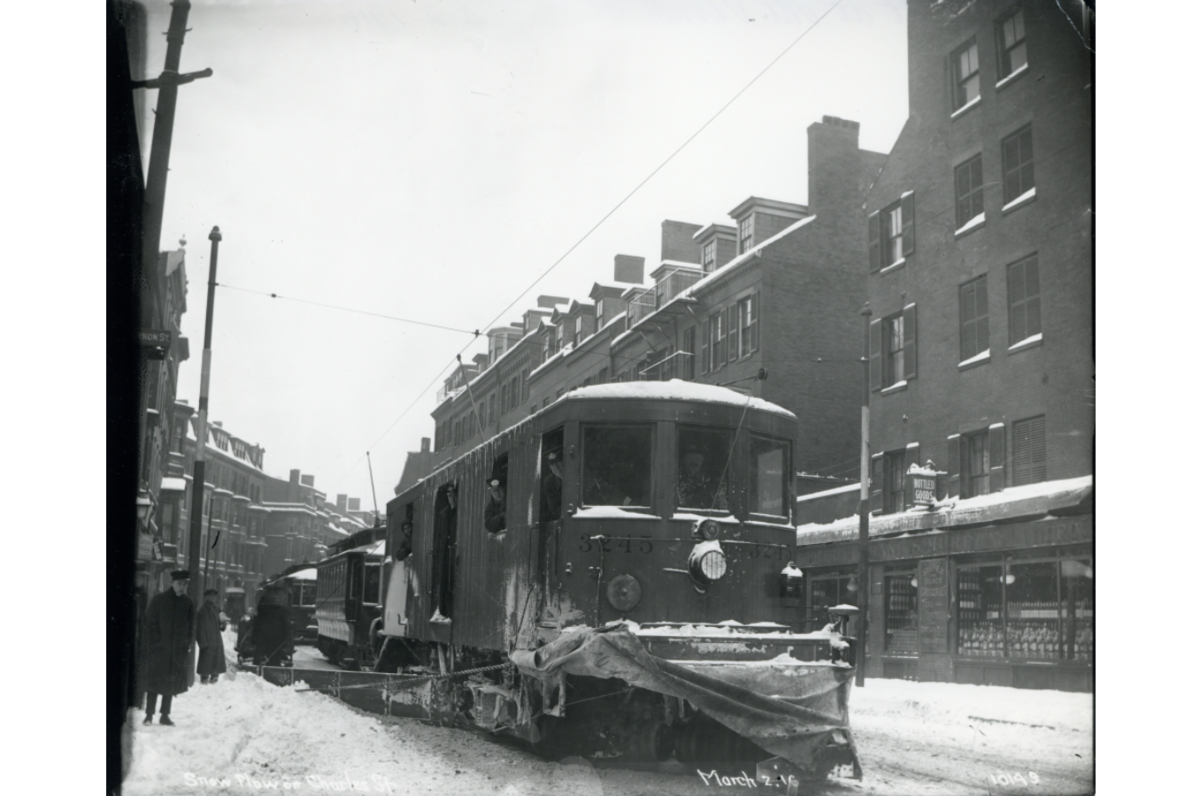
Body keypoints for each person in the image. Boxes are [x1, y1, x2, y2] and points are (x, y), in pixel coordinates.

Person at [143, 569, 195, 726]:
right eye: (179, 583)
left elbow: (191, 626)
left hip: (177, 651)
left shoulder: (188, 603)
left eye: (184, 584)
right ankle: (149, 715)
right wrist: (156, 643)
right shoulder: (159, 600)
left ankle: (165, 715)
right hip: (159, 650)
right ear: (171, 583)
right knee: (154, 682)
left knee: (170, 683)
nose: (182, 587)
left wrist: (186, 644)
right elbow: (150, 623)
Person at [676, 445, 728, 510]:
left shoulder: (713, 482)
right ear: (684, 460)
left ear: (702, 460)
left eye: (697, 459)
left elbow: (720, 506)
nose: (693, 462)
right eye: (690, 459)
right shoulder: (677, 480)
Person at [252, 585, 293, 667]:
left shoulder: (263, 604)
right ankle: (273, 664)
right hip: (277, 635)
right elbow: (285, 624)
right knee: (275, 655)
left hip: (264, 633)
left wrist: (254, 638)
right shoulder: (281, 608)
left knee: (263, 651)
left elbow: (258, 620)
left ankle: (261, 662)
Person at [196, 588, 227, 684]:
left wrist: (223, 623)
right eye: (211, 596)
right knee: (206, 661)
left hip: (216, 639)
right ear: (207, 597)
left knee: (216, 661)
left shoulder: (217, 609)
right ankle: (204, 679)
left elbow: (221, 626)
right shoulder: (202, 610)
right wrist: (202, 641)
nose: (214, 598)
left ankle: (215, 677)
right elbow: (199, 628)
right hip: (208, 640)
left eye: (215, 596)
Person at [542, 450, 563, 520]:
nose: (556, 467)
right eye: (552, 465)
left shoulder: (578, 475)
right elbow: (555, 509)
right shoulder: (549, 482)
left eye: (558, 462)